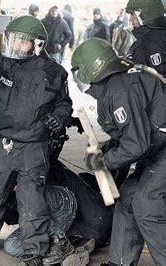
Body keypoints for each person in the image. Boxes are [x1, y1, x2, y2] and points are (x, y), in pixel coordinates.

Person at [0, 16, 74, 265]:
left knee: (31, 200)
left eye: (23, 41)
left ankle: (35, 248)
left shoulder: (53, 72)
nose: (16, 46)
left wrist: (59, 117)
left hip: (34, 146)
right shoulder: (1, 62)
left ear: (38, 44)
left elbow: (65, 104)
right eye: (13, 39)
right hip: (3, 142)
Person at [71, 37, 166, 266]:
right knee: (128, 199)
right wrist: (109, 149)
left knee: (146, 205)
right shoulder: (117, 83)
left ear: (88, 70)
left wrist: (102, 162)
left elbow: (137, 145)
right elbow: (132, 134)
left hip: (161, 149)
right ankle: (120, 261)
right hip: (158, 148)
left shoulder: (119, 89)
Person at [125, 0, 166, 75]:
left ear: (143, 15)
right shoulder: (158, 35)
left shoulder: (150, 44)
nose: (130, 19)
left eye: (132, 14)